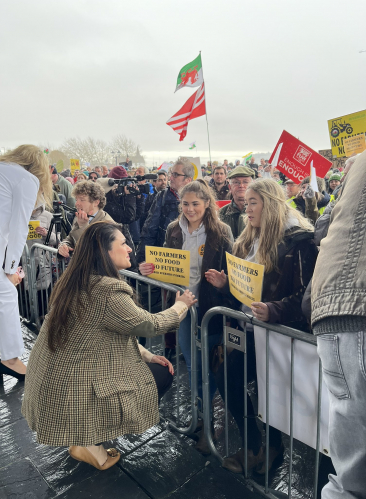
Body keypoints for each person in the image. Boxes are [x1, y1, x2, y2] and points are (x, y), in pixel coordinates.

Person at [22, 221, 196, 470]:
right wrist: (181, 304)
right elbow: (151, 325)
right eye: (123, 243)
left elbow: (112, 330)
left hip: (54, 380)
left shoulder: (76, 279)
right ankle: (90, 442)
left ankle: (87, 437)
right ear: (105, 251)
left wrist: (146, 354)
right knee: (160, 377)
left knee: (153, 368)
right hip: (74, 387)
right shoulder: (106, 291)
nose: (129, 249)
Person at [206, 179, 318, 474]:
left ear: (269, 203)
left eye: (253, 201)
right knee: (226, 375)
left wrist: (274, 310)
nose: (246, 206)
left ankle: (270, 449)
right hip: (249, 328)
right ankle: (256, 444)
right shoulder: (248, 237)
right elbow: (247, 291)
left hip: (281, 334)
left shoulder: (299, 240)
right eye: (247, 202)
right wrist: (226, 285)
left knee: (272, 392)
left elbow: (308, 294)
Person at [140, 180, 233, 455]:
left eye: (196, 203)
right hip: (181, 308)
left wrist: (223, 283)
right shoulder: (172, 229)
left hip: (210, 309)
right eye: (185, 203)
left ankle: (212, 418)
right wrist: (149, 269)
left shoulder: (221, 231)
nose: (190, 209)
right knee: (192, 365)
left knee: (210, 366)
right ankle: (201, 418)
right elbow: (167, 266)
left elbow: (232, 271)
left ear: (207, 204)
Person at [311, 150, 366, 498]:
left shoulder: (357, 162)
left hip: (334, 310)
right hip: (353, 304)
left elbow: (321, 228)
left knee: (349, 478)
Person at [0, 145, 53, 380]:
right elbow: (20, 229)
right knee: (6, 295)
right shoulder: (26, 179)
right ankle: (10, 359)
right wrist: (10, 270)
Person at [136, 158, 194, 263]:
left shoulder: (198, 198)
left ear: (188, 180)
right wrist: (142, 260)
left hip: (191, 259)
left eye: (176, 175)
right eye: (171, 174)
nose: (170, 178)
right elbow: (149, 230)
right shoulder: (162, 196)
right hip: (166, 259)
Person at [218, 166, 255, 239]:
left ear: (253, 185)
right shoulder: (221, 214)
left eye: (245, 182)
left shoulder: (259, 211)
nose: (241, 185)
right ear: (230, 187)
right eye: (236, 182)